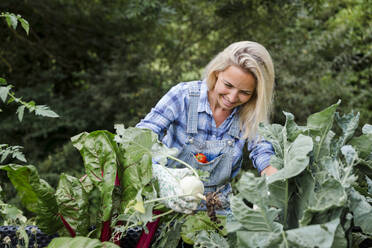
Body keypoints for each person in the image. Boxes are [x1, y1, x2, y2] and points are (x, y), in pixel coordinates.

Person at [136, 41, 277, 215]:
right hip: (165, 205)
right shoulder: (183, 96)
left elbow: (264, 154)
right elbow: (139, 140)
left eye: (245, 93)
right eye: (228, 85)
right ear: (216, 73)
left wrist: (272, 183)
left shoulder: (250, 114)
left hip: (216, 213)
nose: (232, 98)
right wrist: (163, 179)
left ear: (255, 94)